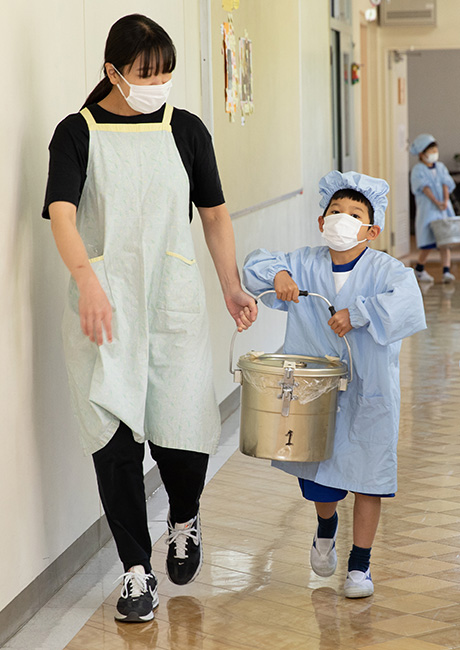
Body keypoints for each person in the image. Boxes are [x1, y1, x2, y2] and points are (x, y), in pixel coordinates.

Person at [43, 14, 256, 623]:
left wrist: (231, 286)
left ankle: (184, 518)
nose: (159, 84)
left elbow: (214, 215)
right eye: (147, 73)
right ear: (113, 72)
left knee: (182, 434)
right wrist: (87, 282)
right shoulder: (76, 132)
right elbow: (61, 213)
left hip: (171, 305)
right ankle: (136, 570)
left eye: (166, 73)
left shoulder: (185, 129)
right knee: (113, 446)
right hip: (103, 311)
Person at [243, 171, 426, 598]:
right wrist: (279, 274)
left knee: (368, 478)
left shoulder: (387, 270)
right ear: (321, 220)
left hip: (370, 392)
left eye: (355, 214)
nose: (342, 219)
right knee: (319, 479)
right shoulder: (304, 263)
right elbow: (255, 265)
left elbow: (407, 304)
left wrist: (358, 314)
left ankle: (360, 565)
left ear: (372, 230)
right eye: (336, 211)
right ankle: (326, 525)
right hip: (316, 396)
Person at [410, 133, 456, 284]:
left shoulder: (441, 167)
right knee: (428, 242)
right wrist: (436, 202)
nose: (434, 153)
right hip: (428, 210)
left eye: (435, 150)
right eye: (431, 151)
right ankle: (419, 269)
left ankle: (446, 272)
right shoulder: (418, 170)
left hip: (443, 209)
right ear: (421, 153)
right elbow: (425, 188)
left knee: (445, 241)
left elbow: (445, 184)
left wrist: (445, 201)